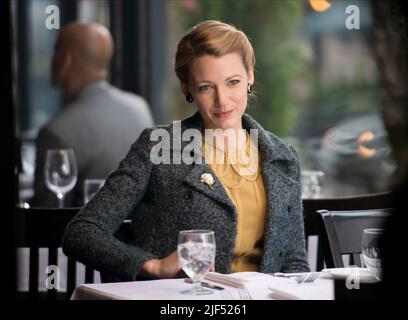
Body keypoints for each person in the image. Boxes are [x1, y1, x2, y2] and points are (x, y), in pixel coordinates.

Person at [62, 20, 309, 280]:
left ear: (250, 76)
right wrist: (152, 266)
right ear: (187, 88)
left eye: (233, 82)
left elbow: (294, 263)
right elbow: (82, 233)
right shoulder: (160, 146)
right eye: (206, 87)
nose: (222, 100)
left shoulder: (282, 157)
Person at [31, 21, 154, 207]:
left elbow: (44, 214)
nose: (51, 59)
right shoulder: (139, 107)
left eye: (55, 51)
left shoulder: (57, 132)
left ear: (66, 61)